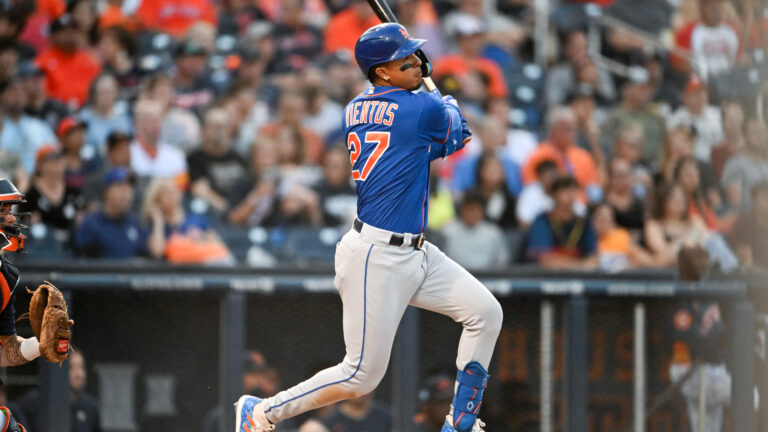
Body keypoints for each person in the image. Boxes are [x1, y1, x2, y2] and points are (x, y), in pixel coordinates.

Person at [235, 23, 501, 432]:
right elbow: (459, 131)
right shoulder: (419, 107)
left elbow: (428, 141)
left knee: (485, 312)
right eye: (405, 59)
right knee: (360, 375)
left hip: (415, 251)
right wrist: (440, 94)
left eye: (416, 55)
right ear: (382, 73)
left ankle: (460, 422)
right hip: (376, 256)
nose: (416, 62)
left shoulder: (355, 107)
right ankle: (261, 411)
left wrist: (429, 96)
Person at [0, 178, 72, 430]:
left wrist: (41, 343)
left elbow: (6, 351)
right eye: (2, 211)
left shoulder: (5, 277)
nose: (10, 219)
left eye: (10, 211)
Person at [143, 178, 232, 265]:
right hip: (171, 274)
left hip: (202, 269)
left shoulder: (195, 218)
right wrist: (158, 221)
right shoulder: (154, 225)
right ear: (157, 200)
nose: (173, 196)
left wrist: (201, 237)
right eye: (167, 193)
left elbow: (220, 248)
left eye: (175, 191)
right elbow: (157, 252)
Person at [522, 107, 602, 202]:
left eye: (573, 129)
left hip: (580, 207)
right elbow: (531, 186)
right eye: (566, 128)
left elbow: (593, 188)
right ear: (552, 129)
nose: (571, 133)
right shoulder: (538, 155)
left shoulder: (584, 156)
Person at [13, 350, 101, 432]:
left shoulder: (90, 407)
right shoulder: (33, 402)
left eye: (81, 367)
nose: (79, 374)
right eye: (71, 367)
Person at [524, 176, 599, 269]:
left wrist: (587, 263)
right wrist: (581, 265)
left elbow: (593, 258)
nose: (570, 194)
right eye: (564, 189)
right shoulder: (543, 220)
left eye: (573, 189)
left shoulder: (584, 222)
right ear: (553, 194)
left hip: (579, 278)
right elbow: (545, 259)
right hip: (548, 278)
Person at [73, 168, 147, 259]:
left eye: (129, 188)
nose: (126, 193)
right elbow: (83, 260)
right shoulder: (91, 223)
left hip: (130, 272)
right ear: (106, 191)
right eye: (121, 187)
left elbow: (143, 255)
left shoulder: (135, 223)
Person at [187, 108, 248, 213]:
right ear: (204, 130)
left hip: (241, 213)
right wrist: (228, 210)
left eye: (223, 127)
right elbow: (200, 190)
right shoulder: (194, 159)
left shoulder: (239, 157)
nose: (220, 131)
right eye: (215, 127)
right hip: (209, 213)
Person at [34, 13, 101, 108]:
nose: (70, 34)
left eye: (73, 30)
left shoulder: (88, 60)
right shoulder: (42, 60)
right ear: (53, 35)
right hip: (54, 111)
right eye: (64, 30)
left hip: (87, 110)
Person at [0, 77, 58, 176]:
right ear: (2, 95)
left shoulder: (39, 126)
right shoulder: (2, 126)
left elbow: (56, 152)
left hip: (37, 181)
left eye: (22, 90)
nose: (18, 94)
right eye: (13, 90)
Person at [443, 190, 509, 270]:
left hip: (488, 279)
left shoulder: (493, 233)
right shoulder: (447, 232)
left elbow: (502, 263)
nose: (472, 213)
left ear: (483, 212)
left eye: (476, 210)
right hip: (455, 279)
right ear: (462, 209)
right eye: (469, 209)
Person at [666, 76, 723, 163]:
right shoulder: (675, 120)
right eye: (695, 92)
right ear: (685, 96)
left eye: (703, 91)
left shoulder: (718, 115)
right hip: (687, 165)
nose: (700, 95)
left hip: (715, 163)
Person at [129, 99, 188, 181]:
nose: (154, 124)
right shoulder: (127, 155)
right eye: (148, 119)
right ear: (137, 123)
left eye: (157, 119)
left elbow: (182, 187)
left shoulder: (176, 156)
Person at [720, 116, 768, 211]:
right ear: (745, 136)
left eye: (762, 132)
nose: (759, 137)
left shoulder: (765, 165)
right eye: (754, 132)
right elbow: (736, 203)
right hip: (747, 220)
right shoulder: (735, 164)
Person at [729, 182, 768, 269]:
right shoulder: (743, 224)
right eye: (765, 198)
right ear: (754, 201)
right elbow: (747, 263)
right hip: (757, 277)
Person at [320, 392, 392, 432]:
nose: (361, 390)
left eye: (366, 384)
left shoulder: (388, 417)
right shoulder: (329, 420)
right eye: (356, 384)